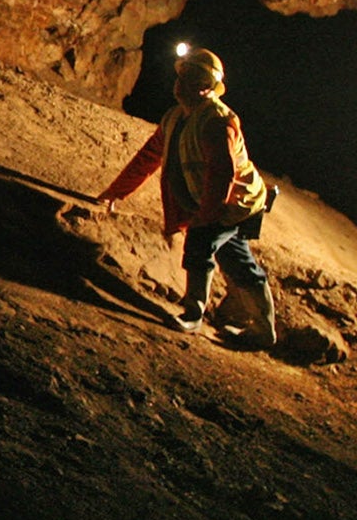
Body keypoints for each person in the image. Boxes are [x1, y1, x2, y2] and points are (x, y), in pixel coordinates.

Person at [94, 46, 279, 346]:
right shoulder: (175, 117)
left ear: (207, 87)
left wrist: (204, 218)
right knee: (237, 260)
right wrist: (116, 191)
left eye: (191, 76)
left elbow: (222, 176)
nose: (180, 82)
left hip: (234, 203)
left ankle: (193, 314)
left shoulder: (217, 121)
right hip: (222, 202)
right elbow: (149, 157)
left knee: (200, 246)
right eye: (182, 74)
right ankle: (263, 330)